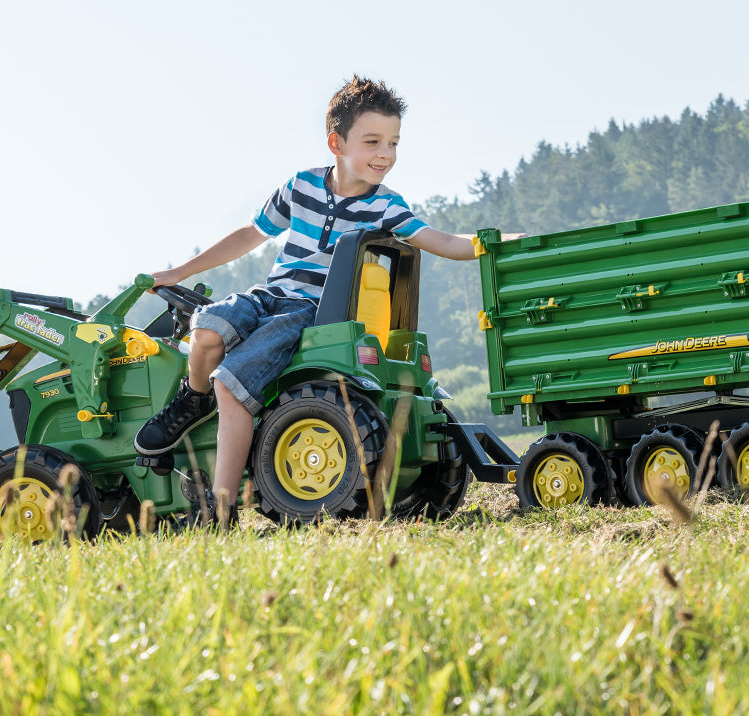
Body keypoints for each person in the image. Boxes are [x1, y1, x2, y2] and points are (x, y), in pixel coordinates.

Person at [134, 75, 512, 525]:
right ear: (336, 141)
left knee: (231, 384)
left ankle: (220, 507)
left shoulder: (387, 206)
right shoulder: (302, 185)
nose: (385, 155)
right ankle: (191, 401)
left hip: (308, 312)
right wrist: (180, 272)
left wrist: (502, 244)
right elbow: (251, 235)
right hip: (271, 294)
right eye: (373, 142)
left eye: (393, 143)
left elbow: (443, 241)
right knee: (206, 327)